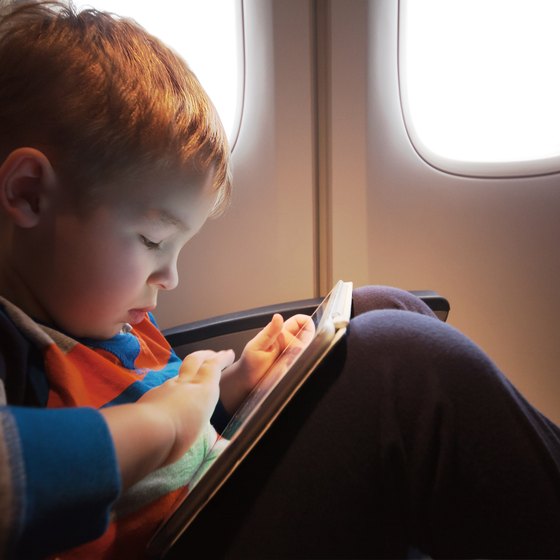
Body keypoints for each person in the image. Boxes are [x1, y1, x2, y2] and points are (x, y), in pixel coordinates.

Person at [0, 2, 558, 559]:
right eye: (151, 242)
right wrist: (166, 423)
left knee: (375, 307)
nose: (169, 276)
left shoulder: (103, 322)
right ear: (29, 194)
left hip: (192, 505)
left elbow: (147, 468)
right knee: (400, 364)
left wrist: (233, 392)